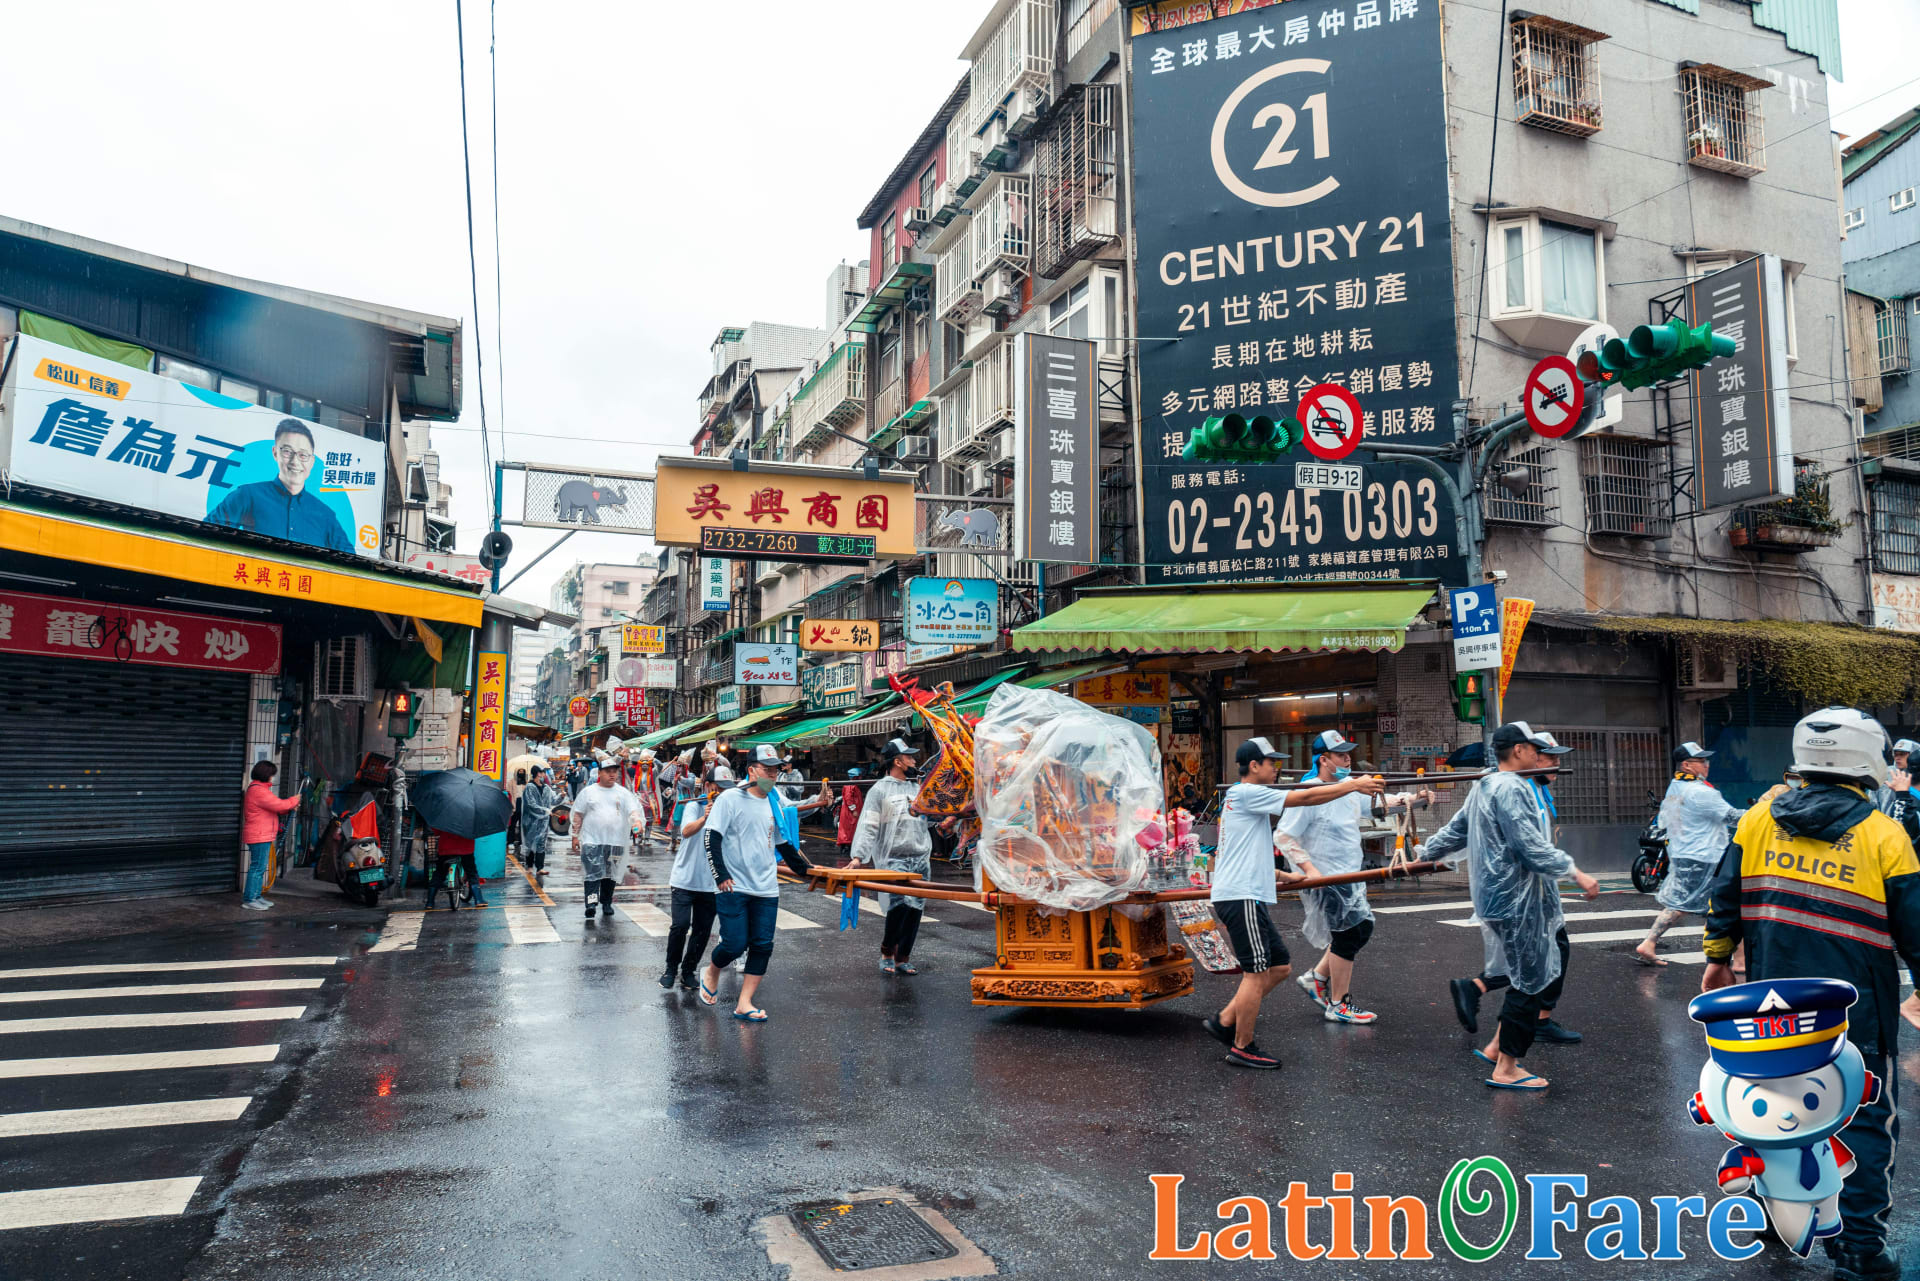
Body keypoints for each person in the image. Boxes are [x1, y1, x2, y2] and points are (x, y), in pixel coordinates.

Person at [1701, 706, 1920, 1280]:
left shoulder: (1758, 818)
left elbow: (1724, 896)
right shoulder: (1884, 836)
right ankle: (1858, 1250)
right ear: (1866, 760)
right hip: (1856, 1019)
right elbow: (1917, 933)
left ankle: (1777, 1220)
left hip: (1768, 1010)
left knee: (1771, 1114)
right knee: (1863, 1122)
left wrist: (1717, 959)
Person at [1426, 722, 1599, 1091]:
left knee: (1528, 974)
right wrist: (1576, 872)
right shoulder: (1511, 787)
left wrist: (1423, 853)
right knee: (1530, 983)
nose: (1540, 756)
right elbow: (1529, 847)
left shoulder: (1488, 783)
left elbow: (1457, 830)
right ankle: (1507, 1066)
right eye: (1535, 749)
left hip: (1505, 897)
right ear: (1518, 750)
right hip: (1518, 900)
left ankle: (1495, 1050)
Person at [1202, 736, 1383, 1070]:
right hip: (1240, 897)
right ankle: (1242, 1046)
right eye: (1271, 762)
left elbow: (1238, 853)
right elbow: (1308, 796)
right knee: (1256, 973)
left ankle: (1225, 1020)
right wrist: (1354, 785)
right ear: (1253, 766)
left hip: (1247, 894)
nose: (1276, 768)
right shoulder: (1245, 792)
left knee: (1280, 966)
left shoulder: (1246, 800)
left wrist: (1285, 877)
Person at [1279, 731, 1434, 1024]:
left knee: (1360, 928)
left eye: (1349, 753)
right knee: (1349, 934)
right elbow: (1285, 836)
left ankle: (1317, 977)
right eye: (1340, 754)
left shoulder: (1348, 790)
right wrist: (1310, 872)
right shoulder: (1310, 792)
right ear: (1323, 760)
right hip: (1327, 878)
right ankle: (1338, 1003)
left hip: (1350, 874)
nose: (1348, 758)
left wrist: (1416, 798)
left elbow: (1381, 802)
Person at [699, 744, 815, 1020]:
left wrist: (807, 871)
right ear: (751, 770)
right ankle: (712, 970)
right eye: (767, 769)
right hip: (733, 885)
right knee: (735, 944)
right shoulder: (730, 799)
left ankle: (745, 1002)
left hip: (766, 888)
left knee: (763, 945)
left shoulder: (774, 802)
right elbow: (711, 837)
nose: (773, 774)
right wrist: (720, 875)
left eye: (776, 769)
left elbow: (783, 843)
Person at [1634, 742, 1741, 967]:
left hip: (1684, 854)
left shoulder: (1676, 787)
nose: (1706, 764)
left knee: (1687, 903)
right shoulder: (1701, 792)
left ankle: (1650, 943)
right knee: (1719, 905)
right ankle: (1737, 960)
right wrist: (1762, 813)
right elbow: (1732, 817)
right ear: (1687, 765)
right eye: (1701, 761)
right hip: (1705, 857)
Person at [849, 738, 935, 975]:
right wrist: (858, 857)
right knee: (898, 907)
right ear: (898, 761)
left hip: (919, 857)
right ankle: (887, 951)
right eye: (910, 757)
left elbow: (930, 817)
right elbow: (869, 825)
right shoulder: (879, 790)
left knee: (915, 909)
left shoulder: (917, 789)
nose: (914, 761)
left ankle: (903, 957)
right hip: (894, 859)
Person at [206, 419, 356, 554]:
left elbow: (352, 559)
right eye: (287, 452)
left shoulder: (325, 515)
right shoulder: (248, 495)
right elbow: (206, 531)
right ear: (275, 453)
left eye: (303, 455)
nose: (295, 461)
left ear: (312, 461)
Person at [570, 754, 640, 921]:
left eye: (614, 771)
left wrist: (637, 821)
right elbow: (578, 815)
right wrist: (575, 836)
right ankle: (591, 904)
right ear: (599, 773)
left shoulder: (623, 793)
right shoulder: (588, 792)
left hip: (615, 841)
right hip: (592, 840)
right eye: (608, 771)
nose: (612, 775)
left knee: (610, 875)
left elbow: (633, 811)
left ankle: (607, 903)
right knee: (592, 874)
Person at [660, 790, 716, 991]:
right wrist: (705, 817)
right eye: (718, 787)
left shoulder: (728, 808)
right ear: (709, 786)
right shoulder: (695, 805)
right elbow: (685, 831)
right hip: (684, 879)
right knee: (680, 925)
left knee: (702, 930)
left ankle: (688, 971)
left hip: (711, 883)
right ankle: (670, 969)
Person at [240, 760, 301, 911]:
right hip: (259, 835)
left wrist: (289, 808)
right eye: (272, 775)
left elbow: (277, 807)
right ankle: (249, 899)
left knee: (260, 868)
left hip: (263, 835)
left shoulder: (261, 790)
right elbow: (280, 805)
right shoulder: (258, 791)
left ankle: (256, 896)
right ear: (266, 774)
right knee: (257, 868)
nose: (273, 778)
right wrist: (295, 800)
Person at [519, 766, 562, 877]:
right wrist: (546, 810)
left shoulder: (547, 788)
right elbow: (531, 804)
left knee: (541, 844)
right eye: (543, 773)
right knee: (530, 843)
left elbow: (554, 800)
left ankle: (540, 868)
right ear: (538, 774)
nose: (544, 775)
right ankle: (529, 867)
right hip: (531, 821)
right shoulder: (530, 787)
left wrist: (561, 796)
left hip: (543, 822)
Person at [835, 767, 866, 861]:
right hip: (850, 814)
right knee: (848, 831)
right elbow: (848, 799)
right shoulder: (850, 786)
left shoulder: (852, 785)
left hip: (851, 813)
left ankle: (848, 846)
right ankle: (846, 847)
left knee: (850, 830)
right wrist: (854, 810)